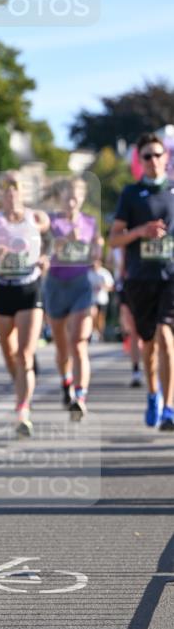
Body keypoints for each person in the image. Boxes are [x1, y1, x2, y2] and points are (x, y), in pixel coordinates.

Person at [109, 133, 174, 430]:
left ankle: (169, 407)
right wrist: (140, 232)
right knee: (148, 344)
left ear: (167, 157)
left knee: (166, 336)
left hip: (170, 276)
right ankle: (152, 394)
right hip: (140, 278)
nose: (154, 160)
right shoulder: (131, 194)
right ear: (140, 161)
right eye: (147, 156)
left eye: (158, 154)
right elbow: (114, 238)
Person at [0, 172, 50, 437]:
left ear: (23, 191)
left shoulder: (37, 218)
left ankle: (23, 411)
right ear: (0, 193)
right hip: (2, 288)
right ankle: (20, 381)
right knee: (9, 353)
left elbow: (51, 242)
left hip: (29, 288)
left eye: (15, 187)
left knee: (24, 354)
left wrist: (45, 257)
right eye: (5, 187)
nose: (10, 192)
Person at [43, 178, 101, 418]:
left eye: (77, 195)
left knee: (79, 343)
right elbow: (44, 250)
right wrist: (65, 240)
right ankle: (66, 380)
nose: (72, 199)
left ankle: (80, 395)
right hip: (56, 285)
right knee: (62, 347)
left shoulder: (90, 222)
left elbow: (97, 251)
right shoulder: (51, 221)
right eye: (68, 195)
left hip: (81, 286)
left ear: (83, 197)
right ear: (61, 197)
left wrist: (96, 249)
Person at [88, 257, 114, 342]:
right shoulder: (88, 273)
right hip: (91, 299)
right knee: (93, 314)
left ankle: (100, 333)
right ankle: (93, 332)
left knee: (101, 317)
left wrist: (103, 286)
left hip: (102, 299)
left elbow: (111, 287)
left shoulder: (104, 273)